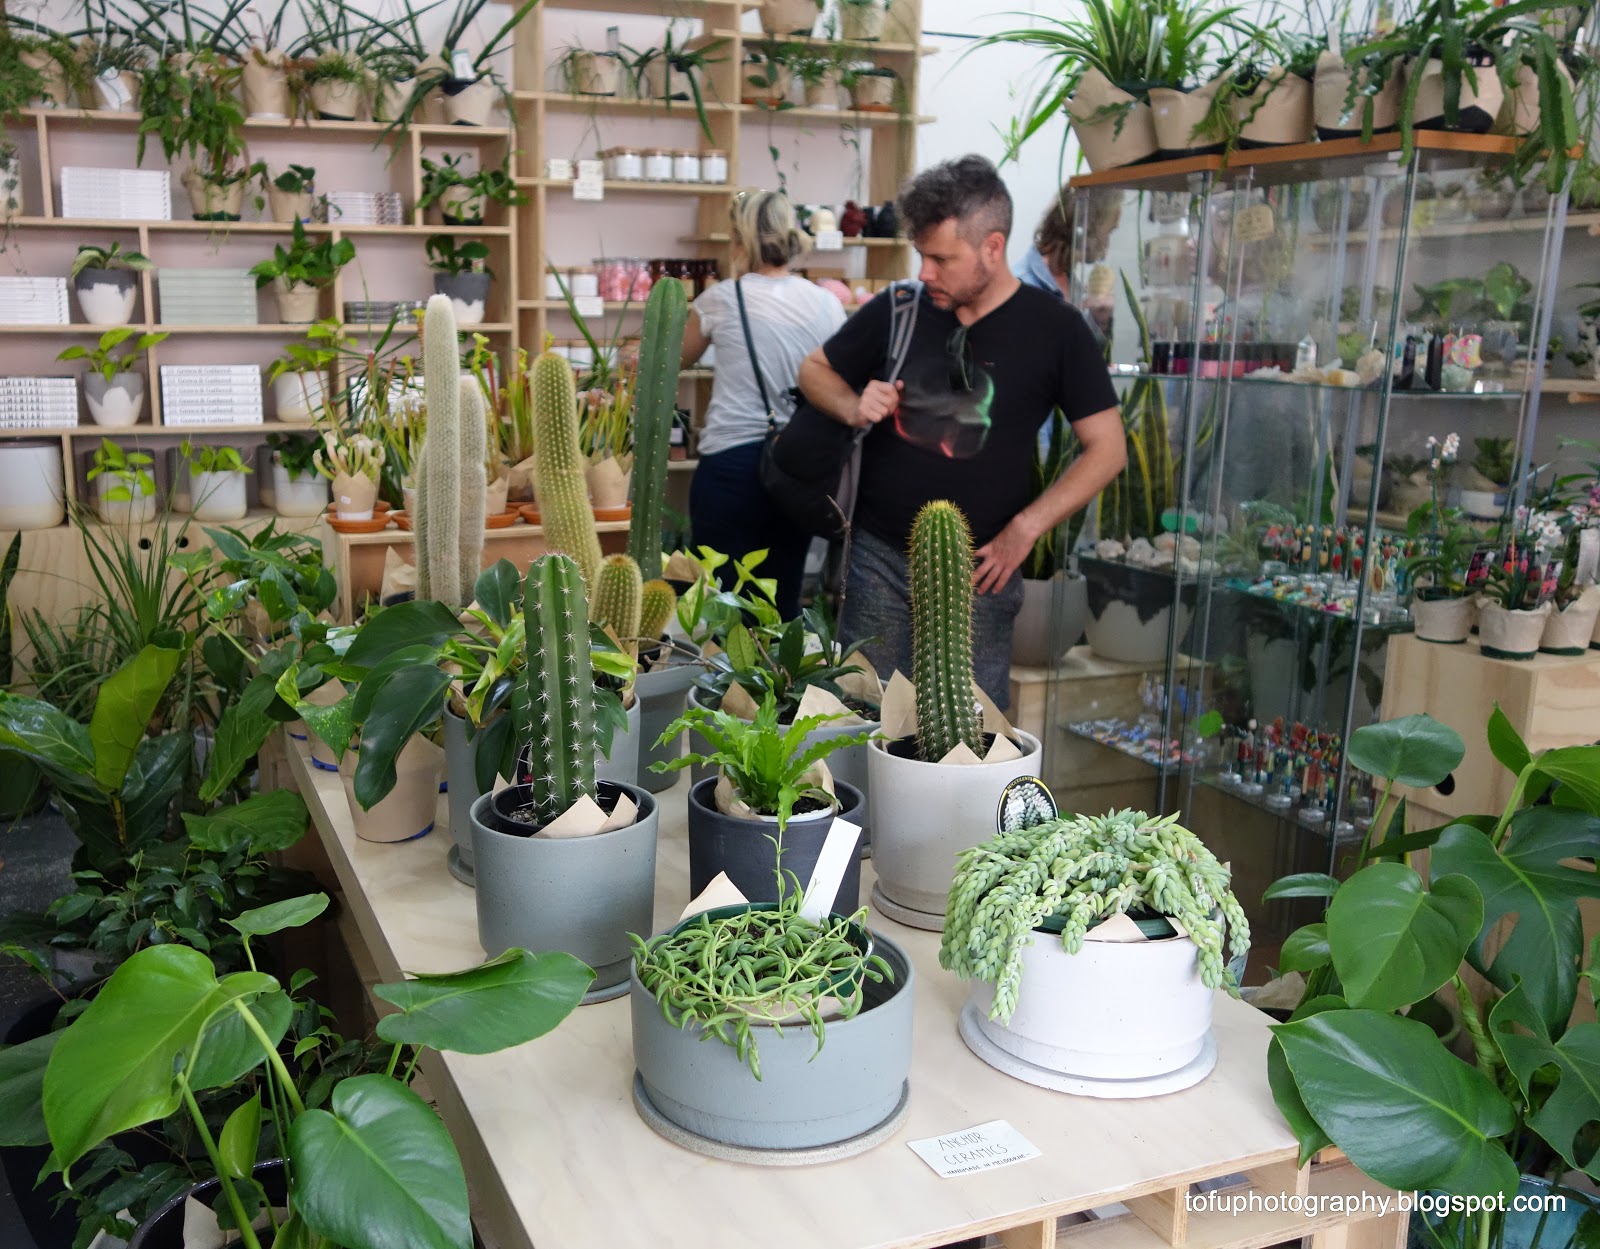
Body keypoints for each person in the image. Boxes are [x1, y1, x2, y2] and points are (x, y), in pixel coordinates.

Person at [796, 155, 1126, 710]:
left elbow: (1108, 448)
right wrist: (854, 405)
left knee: (968, 733)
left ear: (992, 249)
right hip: (878, 556)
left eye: (941, 258)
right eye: (921, 255)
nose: (925, 272)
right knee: (860, 716)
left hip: (981, 571)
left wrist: (1027, 529)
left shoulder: (1057, 329)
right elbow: (813, 371)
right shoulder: (900, 309)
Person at [681, 190, 846, 619]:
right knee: (783, 599)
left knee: (720, 605)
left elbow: (674, 357)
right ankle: (780, 685)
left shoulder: (722, 299)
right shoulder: (828, 303)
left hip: (731, 466)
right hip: (798, 470)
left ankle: (720, 687)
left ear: (740, 239)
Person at [1017, 187, 1118, 346]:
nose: (1108, 243)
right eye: (1109, 231)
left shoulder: (1073, 285)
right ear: (1090, 228)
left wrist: (1100, 320)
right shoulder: (1023, 286)